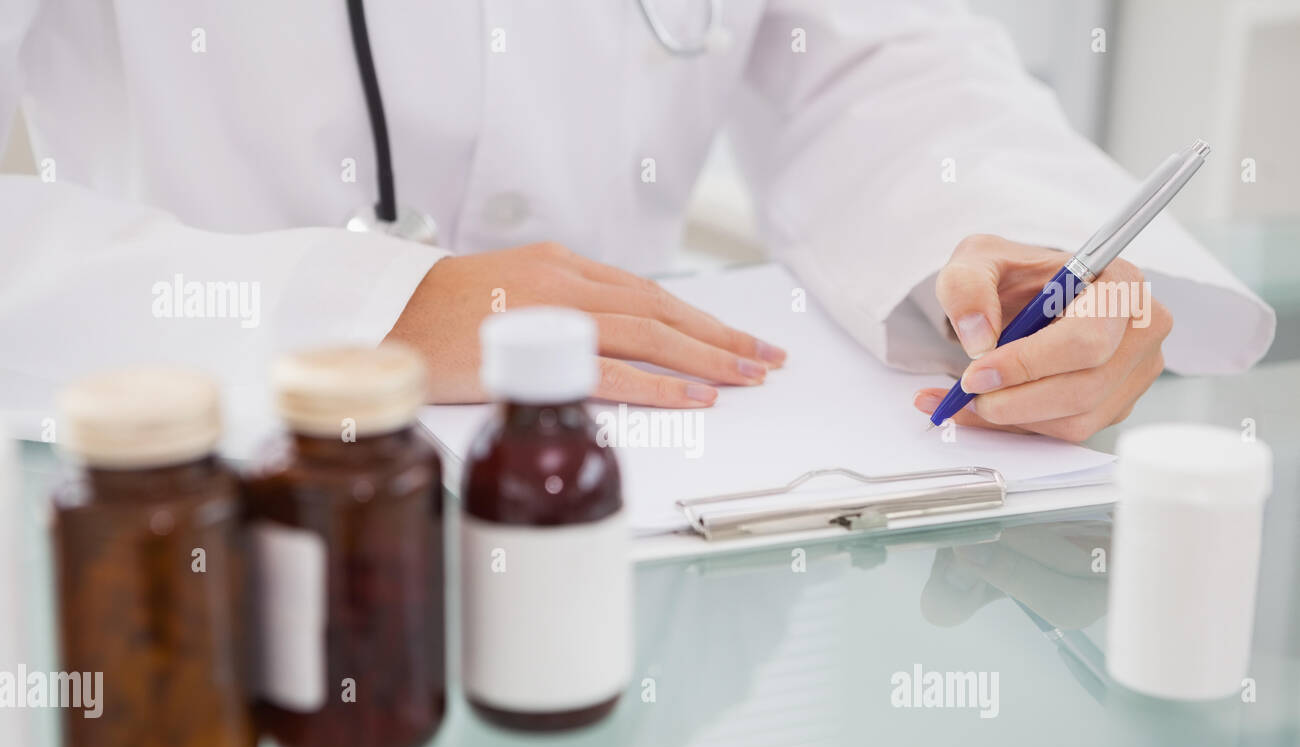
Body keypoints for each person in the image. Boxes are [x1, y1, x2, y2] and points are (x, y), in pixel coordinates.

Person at [0, 0, 1274, 442]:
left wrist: (1014, 245)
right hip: (187, 481)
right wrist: (346, 313)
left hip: (655, 528)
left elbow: (878, 59)